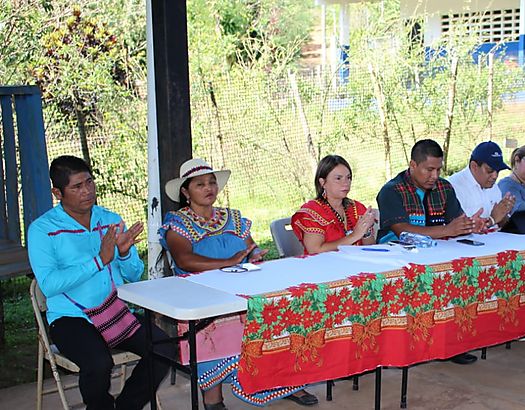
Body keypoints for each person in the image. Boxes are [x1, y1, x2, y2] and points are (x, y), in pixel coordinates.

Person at [160, 158, 317, 409]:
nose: (209, 188)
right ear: (185, 191)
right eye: (200, 184)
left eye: (212, 183)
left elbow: (249, 248)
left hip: (241, 288)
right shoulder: (177, 223)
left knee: (279, 314)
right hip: (201, 293)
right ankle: (213, 398)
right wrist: (228, 262)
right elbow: (185, 259)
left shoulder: (232, 217)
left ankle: (283, 383)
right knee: (212, 332)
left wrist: (254, 255)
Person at [27, 155, 171, 410]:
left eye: (89, 182)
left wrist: (125, 253)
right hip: (71, 318)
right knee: (97, 364)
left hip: (115, 311)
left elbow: (133, 274)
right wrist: (99, 261)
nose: (87, 191)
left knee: (165, 348)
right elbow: (48, 284)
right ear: (57, 192)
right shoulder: (42, 229)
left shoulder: (109, 219)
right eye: (77, 187)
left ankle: (126, 406)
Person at [376, 139, 480, 365]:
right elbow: (401, 230)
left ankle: (451, 345)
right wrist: (446, 230)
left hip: (438, 256)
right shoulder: (391, 191)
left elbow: (457, 221)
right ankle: (410, 348)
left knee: (462, 276)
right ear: (413, 165)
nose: (434, 175)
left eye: (438, 169)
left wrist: (470, 225)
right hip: (396, 261)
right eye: (429, 169)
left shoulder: (444, 188)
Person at [292, 155, 377, 254]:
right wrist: (354, 236)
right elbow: (315, 250)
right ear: (322, 182)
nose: (346, 183)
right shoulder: (312, 212)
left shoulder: (357, 208)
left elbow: (371, 248)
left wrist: (365, 232)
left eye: (348, 178)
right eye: (338, 178)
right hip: (324, 267)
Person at [447, 141, 515, 230]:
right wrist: (492, 219)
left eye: (498, 171)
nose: (495, 176)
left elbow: (501, 221)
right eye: (490, 170)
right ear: (474, 166)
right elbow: (459, 229)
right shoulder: (453, 187)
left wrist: (504, 212)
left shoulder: (493, 186)